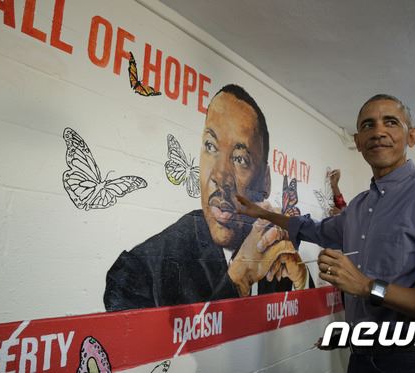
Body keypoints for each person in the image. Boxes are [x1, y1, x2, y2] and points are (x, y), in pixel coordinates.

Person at [237, 94, 415, 372]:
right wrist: (262, 213)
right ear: (358, 142)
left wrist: (368, 287)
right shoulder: (360, 207)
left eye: (391, 122)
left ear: (412, 137)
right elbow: (314, 229)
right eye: (368, 125)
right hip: (361, 359)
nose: (379, 132)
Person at [104, 84, 310, 311]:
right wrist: (237, 280)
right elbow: (170, 347)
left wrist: (303, 282)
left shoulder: (273, 242)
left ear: (265, 182)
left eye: (240, 159)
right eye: (210, 146)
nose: (220, 176)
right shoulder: (139, 274)